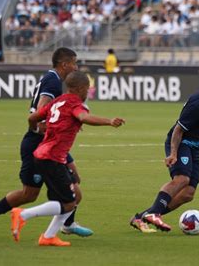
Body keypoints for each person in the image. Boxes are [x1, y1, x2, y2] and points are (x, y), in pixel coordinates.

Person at [0, 47, 91, 239]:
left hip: (51, 143)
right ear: (64, 64)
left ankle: (67, 224)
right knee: (29, 194)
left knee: (74, 188)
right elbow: (42, 107)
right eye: (74, 63)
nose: (76, 67)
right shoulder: (53, 81)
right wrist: (51, 123)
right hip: (39, 144)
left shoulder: (53, 79)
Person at [10, 71, 125, 246]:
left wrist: (36, 129)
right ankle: (23, 214)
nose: (88, 92)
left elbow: (32, 117)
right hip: (52, 157)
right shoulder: (74, 103)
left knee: (69, 199)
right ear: (80, 88)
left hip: (45, 155)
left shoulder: (58, 101)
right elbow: (83, 117)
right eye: (87, 88)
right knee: (69, 203)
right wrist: (109, 121)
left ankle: (48, 237)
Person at [130, 67, 199, 233]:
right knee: (182, 179)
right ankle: (154, 213)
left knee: (188, 193)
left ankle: (143, 216)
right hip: (182, 142)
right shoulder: (197, 103)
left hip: (195, 147)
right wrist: (173, 153)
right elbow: (178, 130)